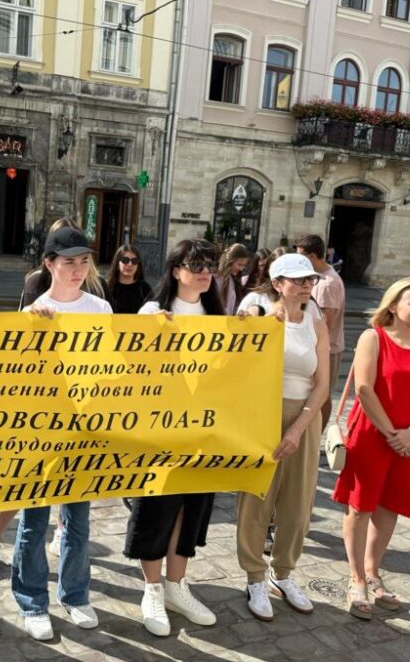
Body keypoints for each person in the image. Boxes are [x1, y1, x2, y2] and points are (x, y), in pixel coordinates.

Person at [12, 226, 112, 641]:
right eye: (68, 261)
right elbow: (17, 379)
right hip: (40, 431)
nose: (77, 269)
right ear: (49, 264)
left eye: (83, 261)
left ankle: (75, 594)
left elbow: (111, 368)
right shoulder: (33, 312)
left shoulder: (101, 309)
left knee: (77, 520)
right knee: (34, 520)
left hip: (84, 429)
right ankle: (33, 601)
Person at [332, 279, 410, 620]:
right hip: (371, 433)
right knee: (360, 506)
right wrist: (391, 433)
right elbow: (364, 389)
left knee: (389, 507)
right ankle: (356, 579)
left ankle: (373, 572)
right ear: (393, 306)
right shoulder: (374, 337)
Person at [127, 239, 223, 636]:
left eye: (209, 265)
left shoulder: (219, 314)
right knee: (157, 506)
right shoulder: (153, 311)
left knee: (192, 506)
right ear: (175, 269)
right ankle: (151, 588)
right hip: (160, 428)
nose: (203, 271)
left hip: (204, 428)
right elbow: (130, 368)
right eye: (194, 264)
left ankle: (175, 586)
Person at [237, 253, 329, 621]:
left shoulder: (315, 320)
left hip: (304, 415)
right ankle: (254, 576)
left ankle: (285, 573)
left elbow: (322, 383)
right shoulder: (260, 314)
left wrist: (298, 427)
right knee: (256, 499)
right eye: (298, 280)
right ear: (278, 284)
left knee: (298, 503)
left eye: (310, 279)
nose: (306, 285)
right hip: (262, 414)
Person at [297, 234, 346, 429]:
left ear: (313, 256)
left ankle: (317, 433)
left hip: (327, 349)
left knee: (322, 394)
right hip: (321, 348)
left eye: (301, 257)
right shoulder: (320, 279)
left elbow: (326, 322)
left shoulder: (326, 284)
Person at [106, 243, 152, 314]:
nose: (130, 264)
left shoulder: (144, 288)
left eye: (134, 261)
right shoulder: (107, 288)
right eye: (125, 260)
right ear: (117, 263)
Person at [217, 243, 250, 314]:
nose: (241, 269)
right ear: (230, 261)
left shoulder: (233, 280)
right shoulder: (215, 278)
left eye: (243, 266)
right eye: (239, 264)